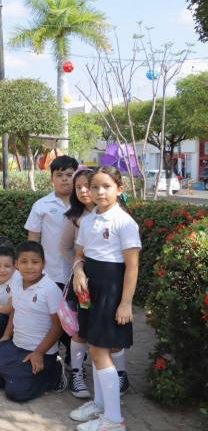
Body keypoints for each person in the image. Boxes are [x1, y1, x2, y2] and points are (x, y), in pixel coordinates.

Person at [70, 167, 141, 431]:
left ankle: (113, 420)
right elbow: (80, 253)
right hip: (90, 287)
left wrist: (125, 303)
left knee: (101, 350)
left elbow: (132, 267)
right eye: (95, 186)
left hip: (112, 289)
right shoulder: (88, 220)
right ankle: (101, 406)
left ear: (119, 189)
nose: (100, 192)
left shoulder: (124, 222)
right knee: (93, 346)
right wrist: (78, 270)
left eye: (107, 186)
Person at [0, 241, 67, 402]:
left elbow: (58, 327)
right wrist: (7, 335)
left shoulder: (50, 289)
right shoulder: (16, 281)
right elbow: (15, 308)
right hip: (16, 345)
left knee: (16, 392)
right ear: (16, 264)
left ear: (43, 264)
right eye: (24, 262)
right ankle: (19, 372)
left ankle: (54, 371)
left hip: (41, 351)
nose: (29, 267)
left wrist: (39, 353)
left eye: (35, 262)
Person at [25, 155, 79, 361]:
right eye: (59, 175)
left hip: (79, 274)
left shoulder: (86, 204)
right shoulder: (41, 205)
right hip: (51, 274)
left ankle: (74, 363)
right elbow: (33, 242)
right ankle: (52, 362)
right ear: (51, 179)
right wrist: (33, 273)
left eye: (69, 174)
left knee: (76, 321)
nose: (65, 179)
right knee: (53, 319)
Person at [61, 168, 96, 399]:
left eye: (88, 185)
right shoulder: (75, 217)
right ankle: (77, 373)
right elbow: (65, 248)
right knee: (81, 328)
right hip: (83, 283)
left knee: (110, 328)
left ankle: (117, 374)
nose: (83, 191)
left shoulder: (118, 213)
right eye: (78, 187)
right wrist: (78, 267)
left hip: (110, 282)